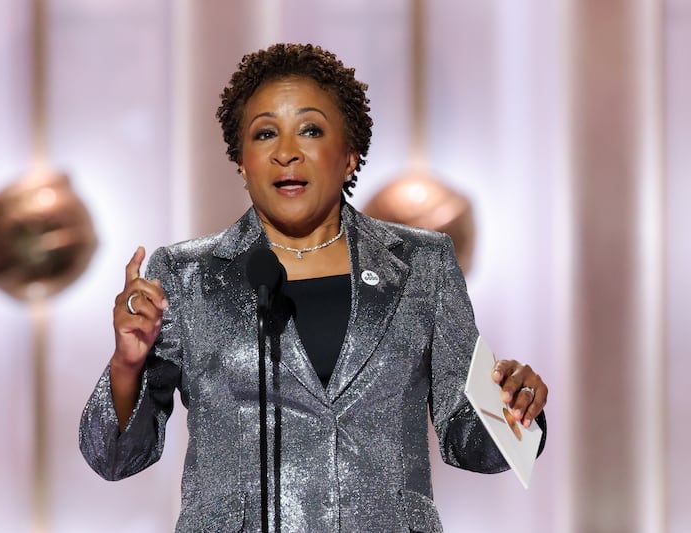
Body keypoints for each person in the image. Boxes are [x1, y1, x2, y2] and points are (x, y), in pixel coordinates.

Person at [80, 43, 548, 532]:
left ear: (350, 155)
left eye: (310, 129)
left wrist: (516, 408)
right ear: (241, 160)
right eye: (265, 134)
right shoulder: (187, 275)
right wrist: (126, 365)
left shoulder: (421, 265)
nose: (286, 152)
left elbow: (468, 440)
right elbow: (114, 459)